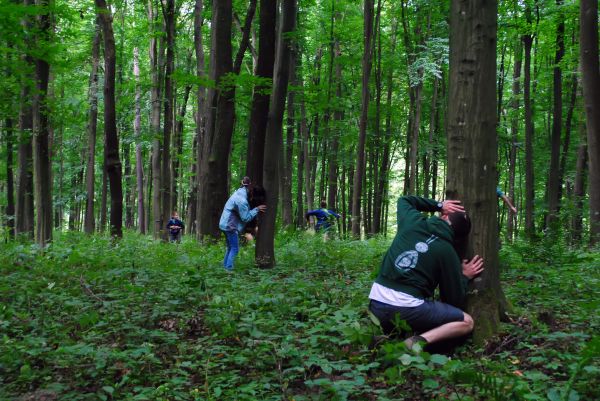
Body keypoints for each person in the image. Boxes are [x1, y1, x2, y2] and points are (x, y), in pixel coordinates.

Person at [368, 196, 484, 352]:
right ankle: (415, 342)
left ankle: (388, 338)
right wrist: (463, 276)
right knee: (467, 322)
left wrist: (439, 205)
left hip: (376, 304)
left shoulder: (413, 221)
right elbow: (453, 299)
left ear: (444, 215)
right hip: (408, 310)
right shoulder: (448, 252)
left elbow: (405, 200)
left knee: (406, 312)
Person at [219, 177, 266, 272]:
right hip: (230, 226)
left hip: (224, 224)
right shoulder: (242, 201)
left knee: (230, 248)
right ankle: (228, 270)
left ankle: (224, 268)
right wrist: (257, 209)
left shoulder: (240, 192)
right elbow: (245, 217)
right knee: (235, 249)